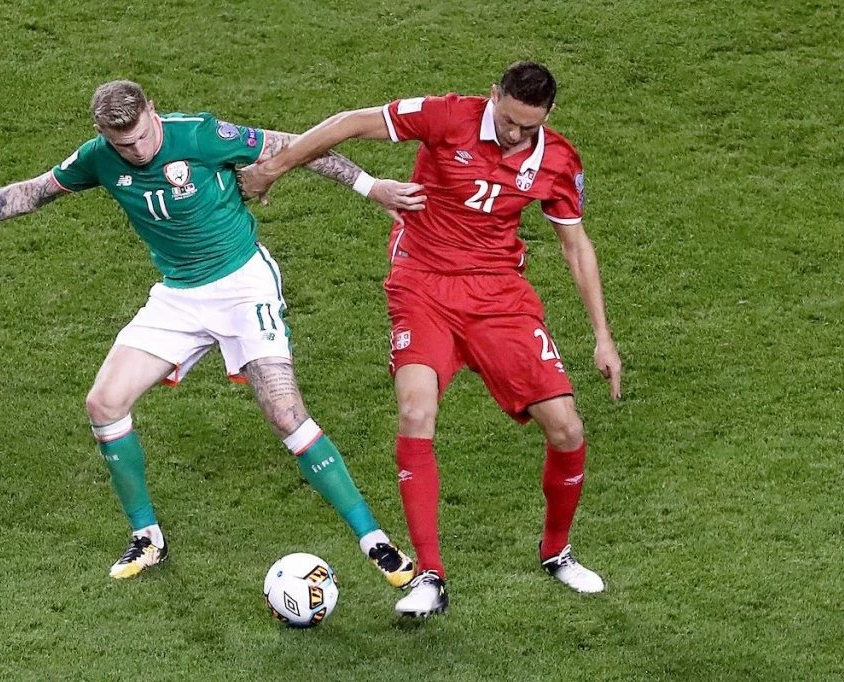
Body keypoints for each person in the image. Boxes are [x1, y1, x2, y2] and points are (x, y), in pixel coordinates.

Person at [0, 79, 427, 587]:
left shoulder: (201, 135)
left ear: (153, 112)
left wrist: (370, 186)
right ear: (103, 134)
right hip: (178, 296)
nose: (138, 151)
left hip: (243, 285)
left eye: (143, 136)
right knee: (104, 403)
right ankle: (147, 537)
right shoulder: (98, 157)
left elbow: (298, 146)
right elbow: (33, 192)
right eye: (124, 144)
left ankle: (374, 541)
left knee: (286, 413)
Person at [239, 61, 622, 616]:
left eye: (529, 126)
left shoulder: (558, 160)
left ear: (549, 114)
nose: (515, 134)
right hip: (422, 284)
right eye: (509, 120)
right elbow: (350, 122)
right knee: (416, 412)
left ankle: (557, 552)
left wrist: (602, 337)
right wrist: (275, 167)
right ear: (493, 96)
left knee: (566, 428)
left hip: (498, 295)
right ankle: (429, 576)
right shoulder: (448, 116)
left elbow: (575, 245)